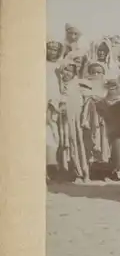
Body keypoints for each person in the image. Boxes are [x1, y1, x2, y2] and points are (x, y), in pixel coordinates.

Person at [57, 60, 95, 183]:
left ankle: (84, 173)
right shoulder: (61, 85)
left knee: (79, 144)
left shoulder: (78, 84)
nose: (67, 73)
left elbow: (90, 95)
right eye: (65, 70)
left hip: (77, 118)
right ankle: (74, 172)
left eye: (70, 71)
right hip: (64, 119)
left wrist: (85, 115)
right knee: (68, 144)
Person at [46, 40, 64, 182]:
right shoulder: (40, 64)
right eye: (49, 49)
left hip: (55, 104)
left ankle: (52, 167)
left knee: (54, 135)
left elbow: (61, 86)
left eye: (55, 50)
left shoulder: (59, 67)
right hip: (42, 102)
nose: (52, 52)